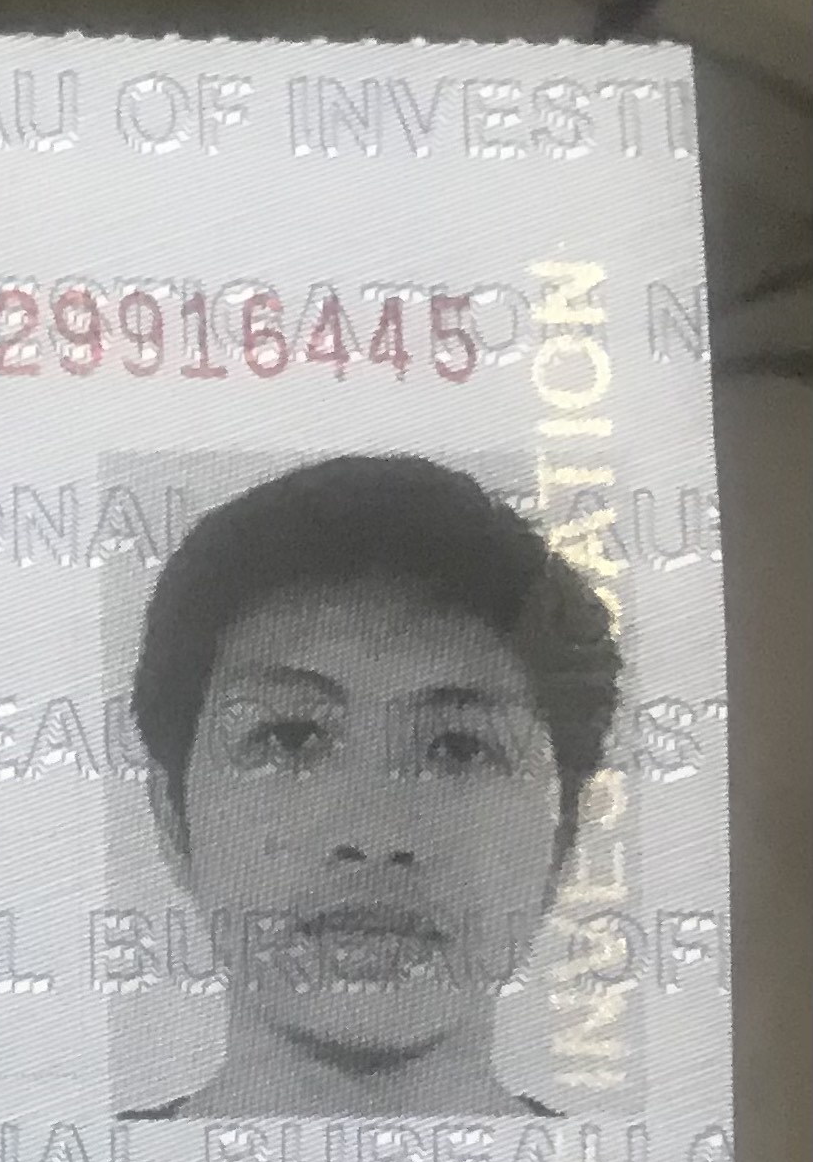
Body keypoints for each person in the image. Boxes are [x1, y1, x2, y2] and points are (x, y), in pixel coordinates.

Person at [121, 452, 620, 1118]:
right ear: (171, 817)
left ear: (565, 832)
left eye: (459, 748)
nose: (375, 835)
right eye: (288, 739)